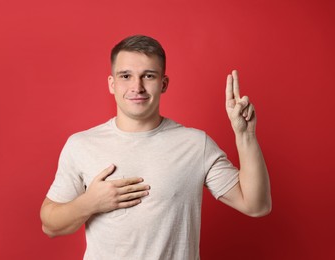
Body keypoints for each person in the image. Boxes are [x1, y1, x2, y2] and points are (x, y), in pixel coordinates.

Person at [40, 35, 271, 259]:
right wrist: (90, 203)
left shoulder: (194, 144)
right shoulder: (81, 145)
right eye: (126, 76)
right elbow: (50, 225)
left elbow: (256, 205)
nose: (137, 87)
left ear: (164, 83)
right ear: (112, 84)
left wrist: (245, 135)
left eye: (148, 76)